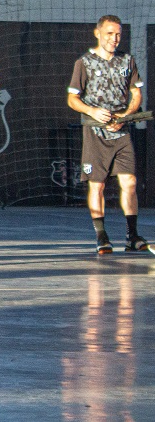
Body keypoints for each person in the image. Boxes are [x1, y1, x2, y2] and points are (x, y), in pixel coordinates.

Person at [67, 15, 150, 255]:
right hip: (95, 133)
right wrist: (92, 111)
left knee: (129, 182)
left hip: (121, 133)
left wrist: (125, 115)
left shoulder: (127, 61)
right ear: (98, 34)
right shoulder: (84, 63)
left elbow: (136, 95)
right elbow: (72, 99)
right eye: (110, 34)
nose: (114, 39)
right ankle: (101, 236)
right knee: (97, 185)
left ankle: (132, 235)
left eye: (118, 34)